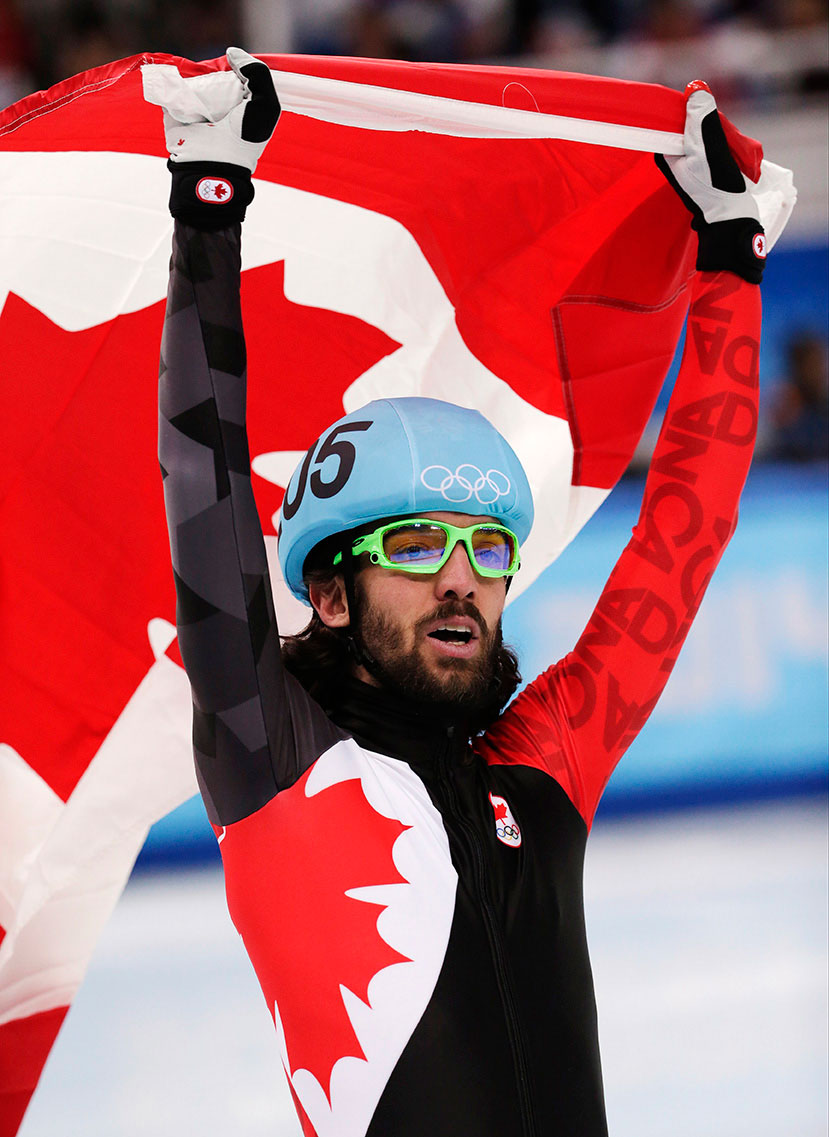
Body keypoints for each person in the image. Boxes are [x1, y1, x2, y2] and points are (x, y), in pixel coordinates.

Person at [158, 50, 765, 1137]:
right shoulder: (275, 764)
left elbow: (687, 531)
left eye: (489, 549)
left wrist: (728, 263)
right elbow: (201, 485)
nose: (461, 577)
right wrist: (209, 205)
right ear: (332, 598)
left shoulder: (541, 766)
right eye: (416, 543)